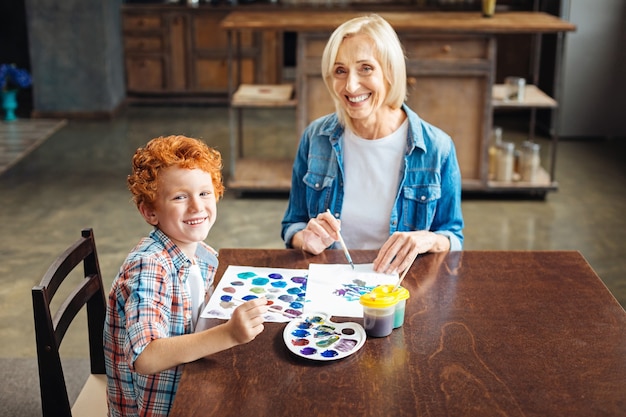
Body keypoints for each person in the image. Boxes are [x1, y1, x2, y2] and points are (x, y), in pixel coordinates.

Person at [281, 14, 464, 275]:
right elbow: (293, 224)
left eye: (366, 68)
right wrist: (304, 239)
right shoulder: (315, 138)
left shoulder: (437, 148)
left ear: (390, 72)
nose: (351, 85)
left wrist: (429, 239)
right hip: (330, 285)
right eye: (340, 71)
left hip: (404, 289)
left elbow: (453, 237)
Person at [104, 135, 268, 417]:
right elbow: (146, 356)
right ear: (150, 211)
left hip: (191, 378)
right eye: (180, 197)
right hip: (161, 406)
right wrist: (228, 333)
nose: (197, 207)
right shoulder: (149, 266)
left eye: (204, 193)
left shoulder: (201, 253)